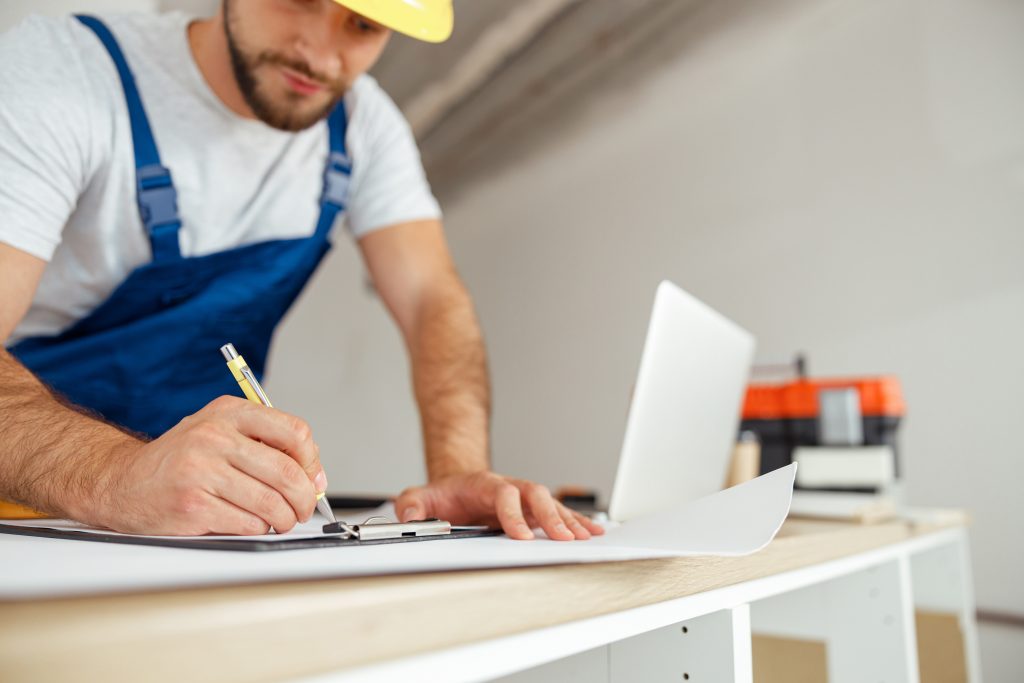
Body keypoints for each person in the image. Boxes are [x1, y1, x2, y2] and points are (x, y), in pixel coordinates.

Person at [0, 0, 603, 542]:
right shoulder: (68, 73)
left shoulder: (363, 127)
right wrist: (117, 474)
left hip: (210, 524)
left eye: (363, 25)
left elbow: (430, 300)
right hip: (31, 502)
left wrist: (459, 469)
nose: (318, 53)